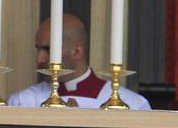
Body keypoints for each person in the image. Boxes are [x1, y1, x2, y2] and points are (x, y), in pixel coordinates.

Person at [8, 14, 151, 109]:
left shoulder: (131, 105)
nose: (40, 59)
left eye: (48, 49)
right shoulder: (24, 102)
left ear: (77, 51)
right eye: (38, 49)